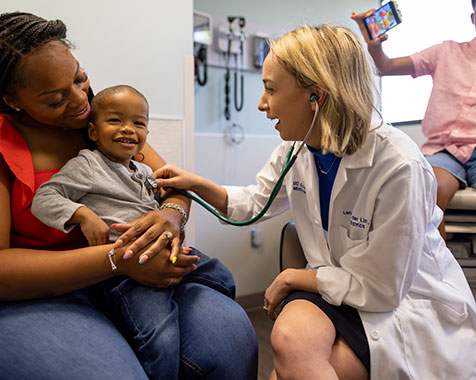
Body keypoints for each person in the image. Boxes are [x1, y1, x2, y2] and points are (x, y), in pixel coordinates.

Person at [0, 11, 258, 380]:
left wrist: (171, 216)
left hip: (119, 281)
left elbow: (169, 185)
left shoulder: (101, 123)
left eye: (80, 78)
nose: (80, 99)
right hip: (20, 298)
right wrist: (116, 259)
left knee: (231, 337)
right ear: (13, 99)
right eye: (55, 100)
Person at [154, 25, 476, 380]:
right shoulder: (298, 150)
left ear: (315, 96)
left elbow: (383, 290)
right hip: (338, 289)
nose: (262, 104)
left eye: (271, 89)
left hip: (403, 302)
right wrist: (195, 185)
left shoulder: (399, 165)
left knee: (286, 370)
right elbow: (254, 201)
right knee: (289, 339)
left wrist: (298, 277)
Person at [31, 84, 237, 379]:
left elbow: (174, 201)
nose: (128, 129)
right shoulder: (89, 165)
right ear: (92, 132)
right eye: (115, 121)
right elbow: (44, 198)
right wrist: (82, 214)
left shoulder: (142, 172)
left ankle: (172, 291)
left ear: (146, 135)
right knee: (160, 340)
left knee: (222, 277)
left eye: (138, 123)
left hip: (168, 253)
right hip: (130, 267)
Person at [351, 1, 476, 241]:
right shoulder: (446, 53)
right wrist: (373, 45)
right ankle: (439, 272)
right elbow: (384, 67)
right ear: (473, 19)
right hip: (444, 150)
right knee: (429, 188)